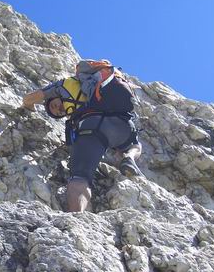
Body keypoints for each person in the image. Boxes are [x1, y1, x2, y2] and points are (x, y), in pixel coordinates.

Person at [22, 60, 142, 212]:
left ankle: (76, 220)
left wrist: (28, 106)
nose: (59, 109)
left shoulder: (64, 85)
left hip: (92, 126)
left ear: (54, 97)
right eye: (59, 113)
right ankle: (129, 158)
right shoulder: (95, 86)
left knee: (80, 177)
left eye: (54, 105)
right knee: (135, 145)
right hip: (123, 125)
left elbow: (29, 98)